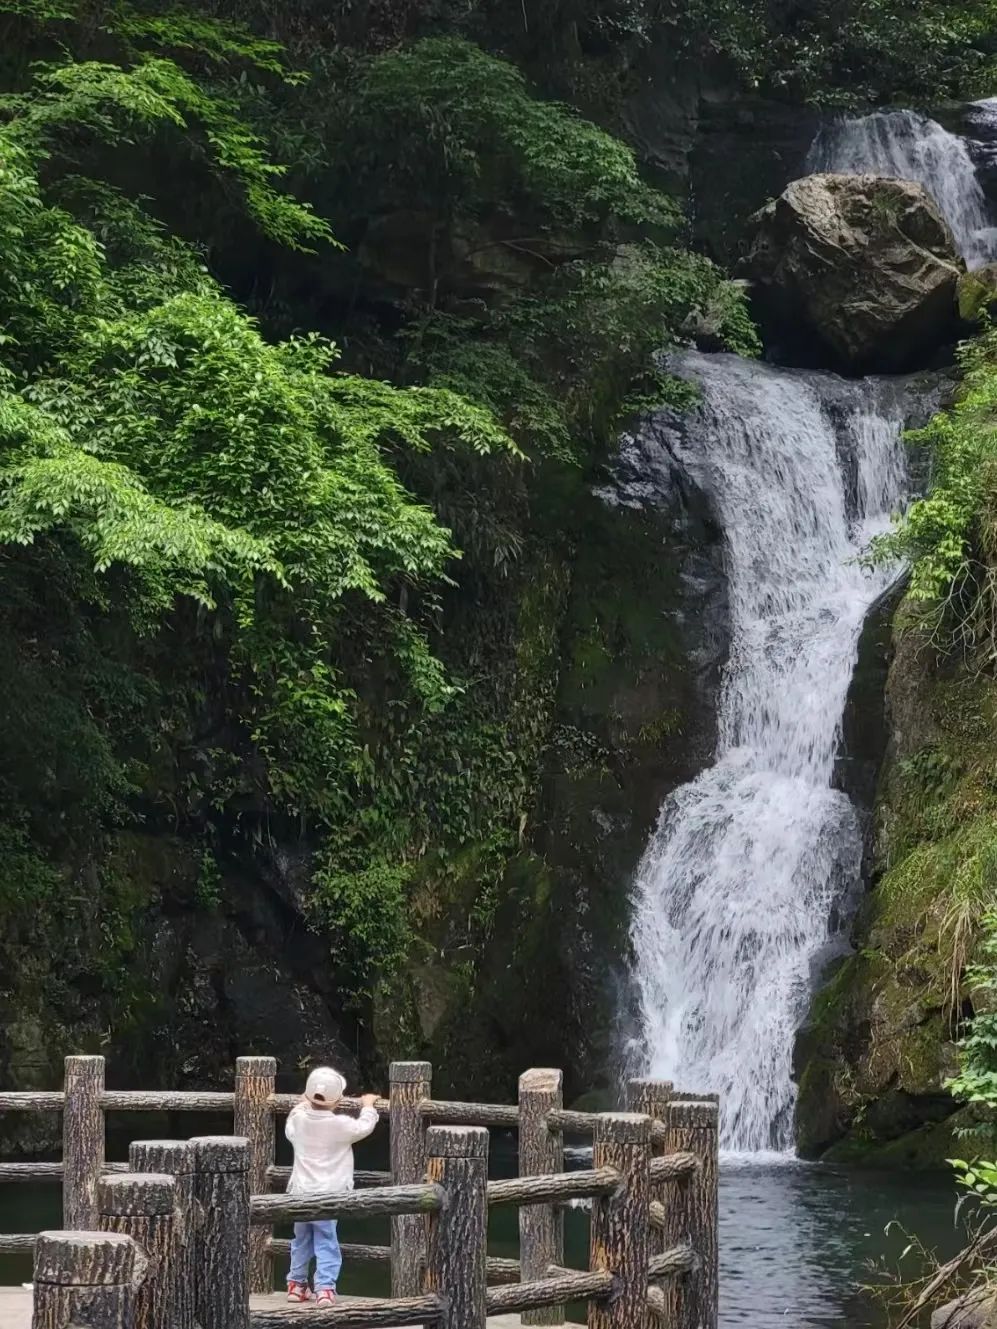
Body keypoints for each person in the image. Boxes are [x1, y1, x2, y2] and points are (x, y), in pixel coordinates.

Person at [285, 1065, 380, 1305]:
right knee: (326, 1240)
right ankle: (325, 1288)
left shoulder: (298, 1121)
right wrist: (368, 1105)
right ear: (338, 1099)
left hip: (300, 1194)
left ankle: (296, 1285)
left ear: (307, 1097)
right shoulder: (341, 1125)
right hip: (328, 1195)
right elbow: (364, 1127)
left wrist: (303, 1103)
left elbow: (293, 1118)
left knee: (301, 1240)